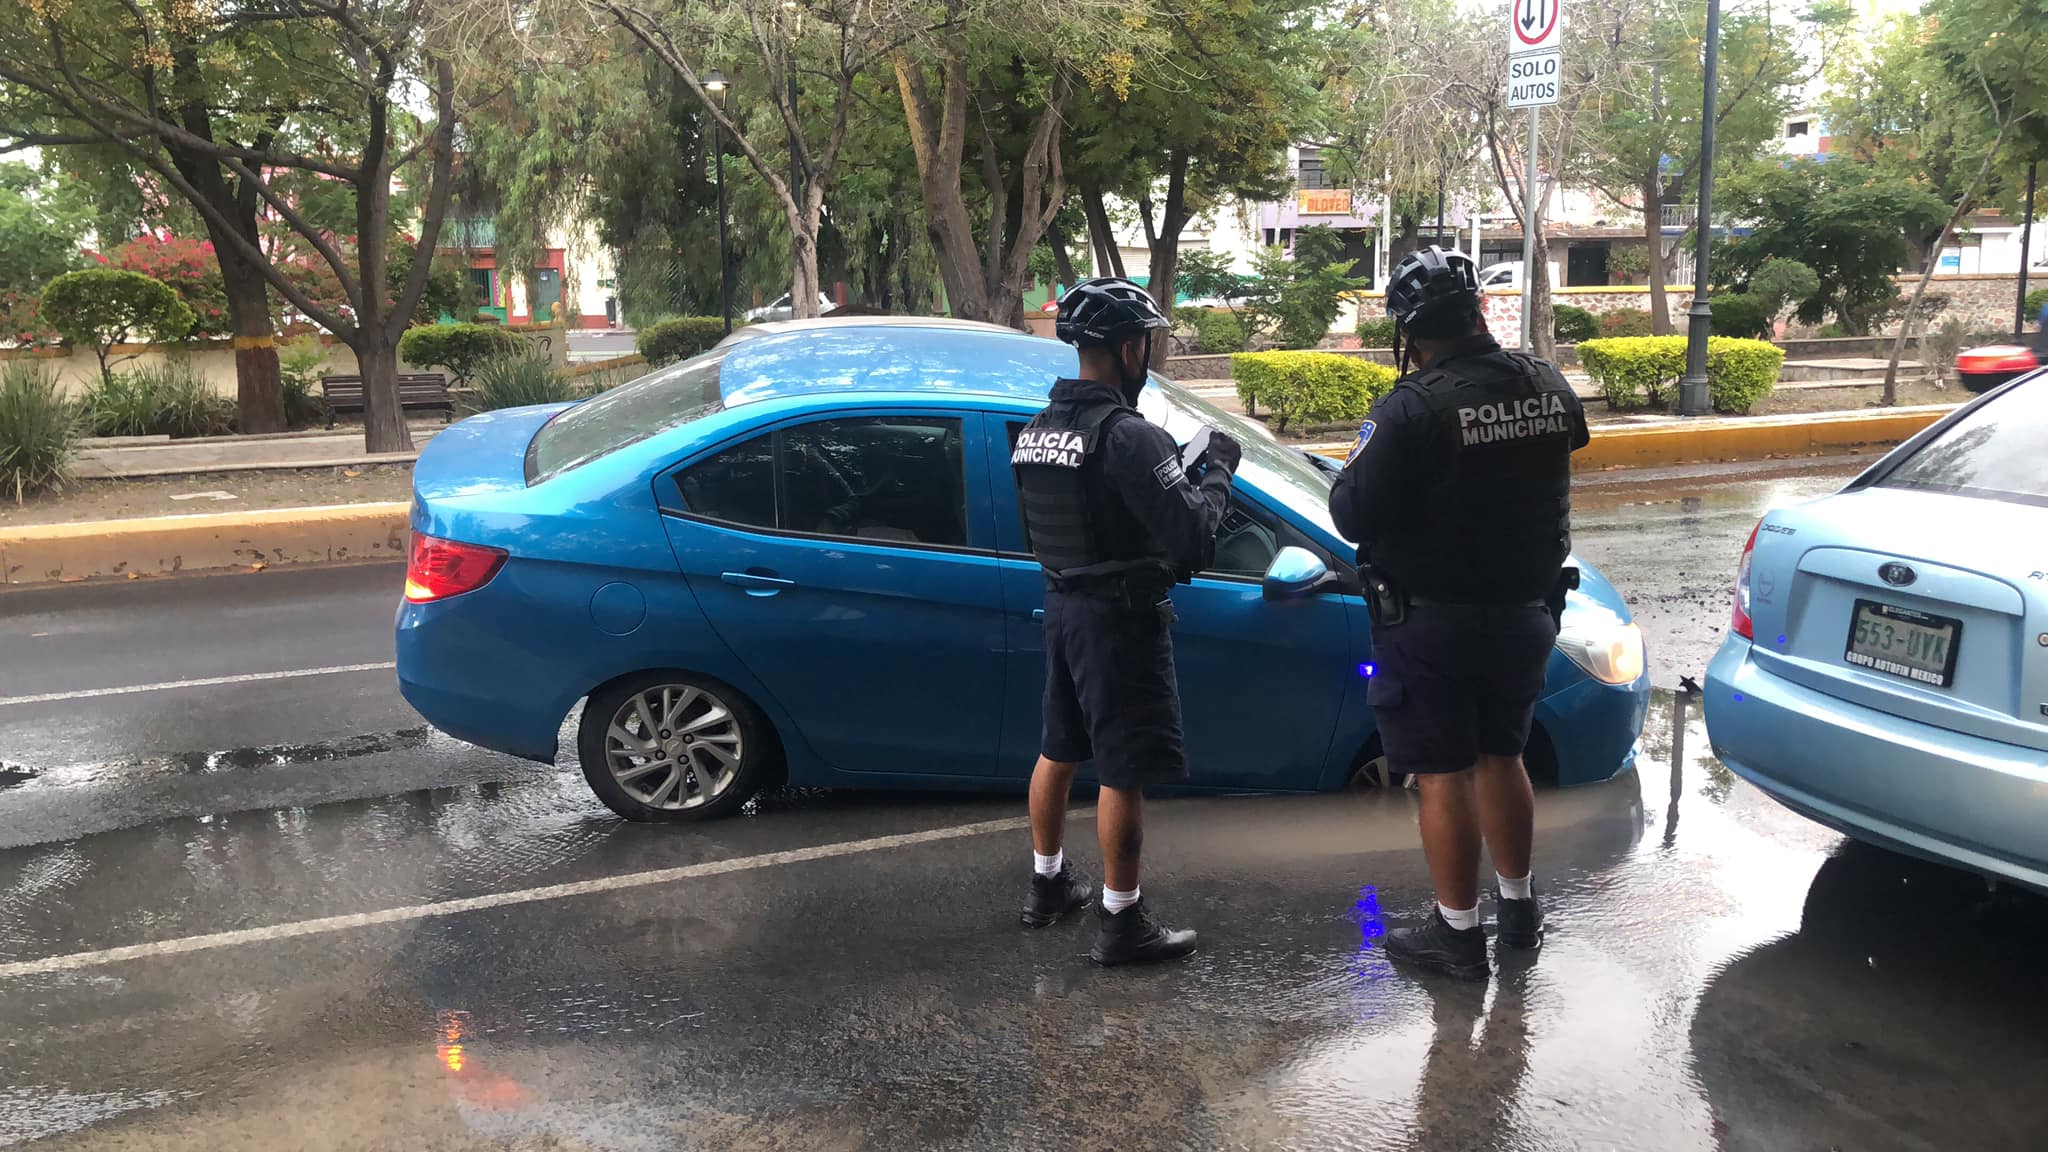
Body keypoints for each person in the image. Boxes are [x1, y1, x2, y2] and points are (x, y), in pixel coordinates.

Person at [1329, 247, 1589, 981]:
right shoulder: (1545, 380)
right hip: (1526, 612)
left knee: (1442, 774)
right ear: (1479, 311)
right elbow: (1563, 444)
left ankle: (1457, 934)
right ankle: (1518, 908)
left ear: (1409, 335)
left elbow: (1350, 512)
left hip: (1435, 622)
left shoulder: (1412, 405)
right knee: (1501, 757)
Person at [1011, 276, 1242, 966]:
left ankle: (1047, 886)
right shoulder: (1129, 437)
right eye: (1147, 342)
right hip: (1119, 623)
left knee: (1059, 748)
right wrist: (1218, 470)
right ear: (1127, 348)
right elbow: (1194, 537)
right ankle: (1122, 920)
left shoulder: (1036, 432)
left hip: (1063, 610)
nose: (1150, 354)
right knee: (1123, 769)